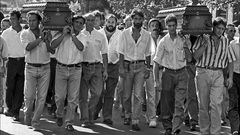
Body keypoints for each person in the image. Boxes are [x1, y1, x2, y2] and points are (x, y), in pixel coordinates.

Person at [192, 17, 236, 135]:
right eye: (218, 28)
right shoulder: (202, 38)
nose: (220, 31)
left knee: (216, 104)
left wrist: (230, 77)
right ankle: (204, 131)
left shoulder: (226, 41)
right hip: (202, 71)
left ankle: (215, 132)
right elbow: (195, 56)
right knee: (203, 105)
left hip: (218, 73)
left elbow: (230, 60)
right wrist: (205, 44)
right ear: (213, 27)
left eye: (222, 29)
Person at [153, 14, 191, 135]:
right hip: (168, 73)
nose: (172, 28)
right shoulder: (163, 41)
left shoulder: (183, 38)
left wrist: (185, 45)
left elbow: (189, 58)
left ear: (177, 25)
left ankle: (176, 128)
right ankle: (168, 127)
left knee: (179, 103)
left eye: (174, 25)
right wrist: (156, 81)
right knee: (167, 102)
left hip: (182, 72)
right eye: (169, 26)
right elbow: (156, 62)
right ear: (166, 26)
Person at [118, 8, 152, 131]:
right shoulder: (124, 33)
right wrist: (121, 67)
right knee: (126, 95)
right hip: (127, 65)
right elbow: (121, 52)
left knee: (138, 95)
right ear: (132, 20)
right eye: (135, 19)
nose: (137, 21)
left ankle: (135, 120)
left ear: (143, 20)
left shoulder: (147, 35)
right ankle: (127, 114)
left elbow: (148, 53)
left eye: (139, 19)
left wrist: (148, 68)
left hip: (141, 66)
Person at [51, 14, 85, 131]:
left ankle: (69, 122)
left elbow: (80, 47)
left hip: (76, 69)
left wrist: (73, 35)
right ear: (72, 22)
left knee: (73, 98)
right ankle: (59, 113)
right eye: (77, 22)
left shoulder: (83, 35)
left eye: (81, 23)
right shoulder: (61, 33)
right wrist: (64, 34)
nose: (79, 25)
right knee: (60, 97)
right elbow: (53, 45)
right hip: (61, 68)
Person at [20, 10, 53, 129]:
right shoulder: (24, 33)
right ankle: (27, 116)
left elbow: (52, 50)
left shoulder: (46, 32)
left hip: (45, 67)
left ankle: (35, 121)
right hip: (30, 67)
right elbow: (28, 47)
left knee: (42, 97)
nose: (31, 22)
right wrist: (40, 38)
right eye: (29, 20)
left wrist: (47, 39)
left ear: (39, 21)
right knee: (29, 96)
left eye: (34, 20)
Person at [79, 12, 108, 128]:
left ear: (96, 21)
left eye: (92, 20)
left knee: (97, 93)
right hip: (83, 66)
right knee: (83, 96)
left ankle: (90, 114)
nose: (90, 22)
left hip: (97, 66)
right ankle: (85, 119)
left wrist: (105, 70)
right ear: (85, 22)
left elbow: (105, 53)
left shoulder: (101, 35)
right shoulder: (80, 34)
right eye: (88, 20)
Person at [94, 14, 121, 125]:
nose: (110, 24)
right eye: (109, 22)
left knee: (110, 93)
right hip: (100, 65)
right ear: (105, 22)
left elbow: (123, 50)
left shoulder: (121, 34)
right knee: (98, 91)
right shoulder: (99, 33)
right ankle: (95, 111)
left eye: (112, 22)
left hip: (114, 65)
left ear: (116, 23)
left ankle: (107, 116)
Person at [1, 10, 25, 121]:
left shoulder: (25, 32)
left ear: (19, 19)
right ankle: (9, 108)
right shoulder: (5, 33)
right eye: (10, 19)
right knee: (9, 87)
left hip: (23, 62)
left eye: (14, 19)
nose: (12, 21)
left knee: (19, 88)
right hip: (10, 62)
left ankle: (16, 112)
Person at [143, 18, 163, 128]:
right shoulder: (146, 39)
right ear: (149, 28)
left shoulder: (162, 39)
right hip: (149, 69)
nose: (155, 27)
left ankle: (150, 113)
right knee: (150, 94)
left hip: (161, 70)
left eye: (156, 25)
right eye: (152, 25)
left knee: (158, 96)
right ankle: (152, 118)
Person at [228, 25, 240, 135]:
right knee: (233, 103)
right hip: (234, 75)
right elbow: (230, 62)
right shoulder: (232, 45)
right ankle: (235, 129)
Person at [0, 37, 8, 114]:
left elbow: (5, 57)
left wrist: (3, 67)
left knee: (1, 88)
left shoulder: (2, 40)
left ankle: (1, 106)